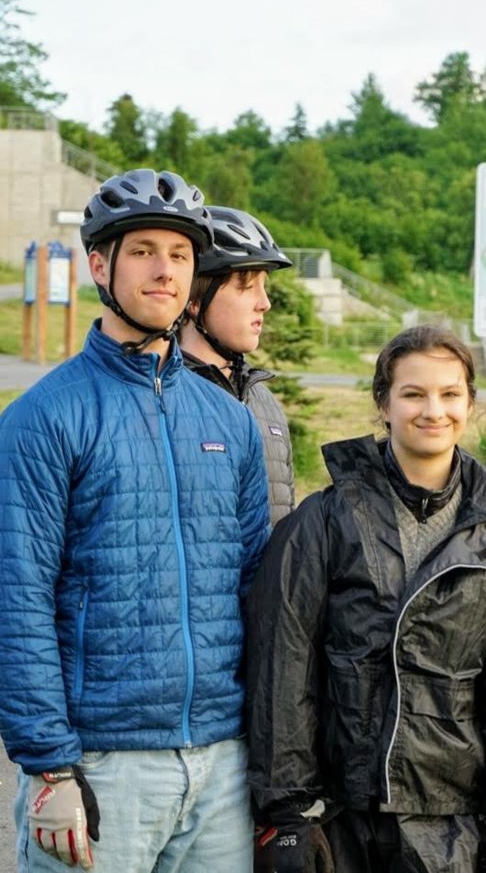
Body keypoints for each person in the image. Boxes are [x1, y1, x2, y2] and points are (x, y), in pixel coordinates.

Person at [0, 168, 271, 871]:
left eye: (180, 254)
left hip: (221, 764)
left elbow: (258, 593)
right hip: (101, 765)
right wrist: (50, 767)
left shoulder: (229, 421)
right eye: (144, 250)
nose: (165, 270)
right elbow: (15, 597)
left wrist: (276, 758)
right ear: (99, 263)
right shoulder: (43, 418)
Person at [245, 324, 486, 873]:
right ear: (383, 403)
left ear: (470, 403)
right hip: (337, 814)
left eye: (449, 394)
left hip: (449, 821)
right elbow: (282, 668)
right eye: (413, 393)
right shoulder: (323, 522)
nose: (432, 410)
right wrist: (289, 814)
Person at [179, 205, 296, 525]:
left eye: (264, 285)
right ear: (194, 299)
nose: (265, 303)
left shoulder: (265, 402)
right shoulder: (161, 401)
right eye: (247, 286)